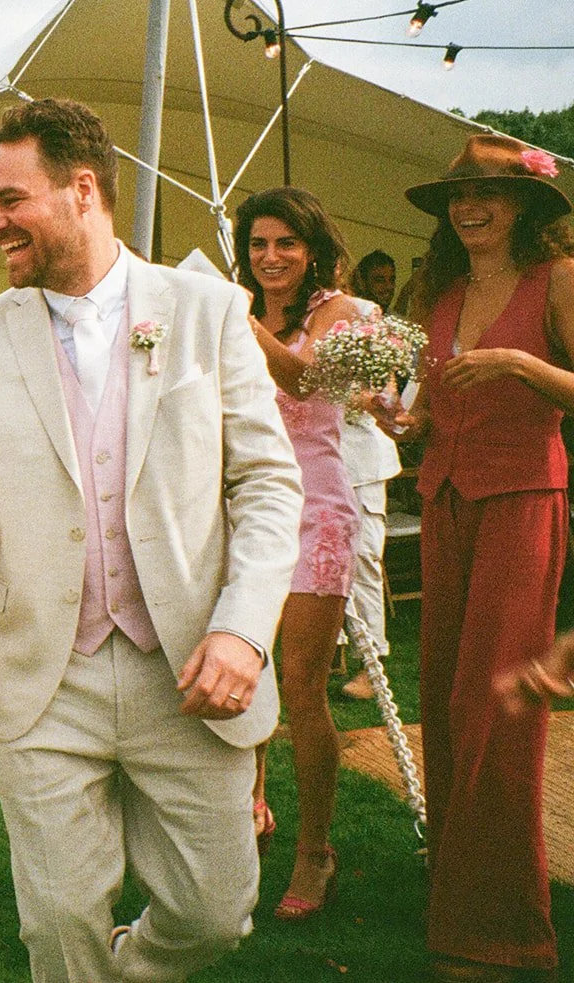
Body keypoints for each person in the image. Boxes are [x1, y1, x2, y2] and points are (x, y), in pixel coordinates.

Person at [0, 98, 302, 982]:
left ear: (83, 190)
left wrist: (242, 628)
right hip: (45, 674)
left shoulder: (209, 311)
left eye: (9, 200)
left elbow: (267, 484)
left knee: (215, 912)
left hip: (188, 665)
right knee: (59, 924)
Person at [376, 134, 574, 982]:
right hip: (447, 500)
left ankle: (504, 931)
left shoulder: (560, 279)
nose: (468, 206)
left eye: (488, 192)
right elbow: (430, 402)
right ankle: (456, 891)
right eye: (458, 195)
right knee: (449, 703)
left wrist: (521, 363)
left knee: (497, 702)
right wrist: (410, 423)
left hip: (523, 503)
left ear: (525, 205)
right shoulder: (440, 289)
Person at [235, 186, 360, 919]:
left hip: (316, 506)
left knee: (302, 685)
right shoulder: (241, 311)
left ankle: (316, 848)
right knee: (241, 670)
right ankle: (248, 805)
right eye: (258, 244)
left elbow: (305, 377)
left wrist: (240, 324)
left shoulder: (339, 314)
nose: (270, 256)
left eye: (284, 243)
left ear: (310, 247)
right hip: (246, 508)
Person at [337, 280, 404, 702]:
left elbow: (387, 390)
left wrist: (359, 398)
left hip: (361, 458)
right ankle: (331, 650)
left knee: (361, 560)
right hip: (308, 458)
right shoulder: (284, 316)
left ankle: (372, 663)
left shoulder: (363, 314)